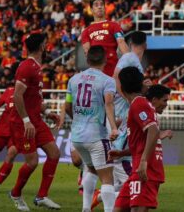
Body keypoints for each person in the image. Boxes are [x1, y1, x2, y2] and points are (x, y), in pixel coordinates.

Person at [91, 31, 148, 210]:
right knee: (124, 162)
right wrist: (128, 98)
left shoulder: (134, 61)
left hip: (124, 113)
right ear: (145, 45)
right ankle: (104, 196)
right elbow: (116, 77)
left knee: (120, 161)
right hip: (122, 114)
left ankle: (101, 196)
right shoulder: (130, 57)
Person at [9, 33, 61, 211]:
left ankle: (42, 196)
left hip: (36, 120)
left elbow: (34, 99)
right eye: (46, 43)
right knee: (32, 162)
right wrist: (25, 120)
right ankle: (16, 193)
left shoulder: (37, 67)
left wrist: (48, 112)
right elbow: (17, 96)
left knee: (54, 153)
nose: (47, 46)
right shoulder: (26, 67)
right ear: (41, 47)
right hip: (23, 123)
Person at [65, 46, 119, 212]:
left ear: (88, 60)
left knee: (90, 168)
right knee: (107, 178)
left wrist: (79, 120)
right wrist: (114, 128)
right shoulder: (107, 81)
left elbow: (67, 106)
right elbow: (109, 103)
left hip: (77, 137)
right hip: (97, 136)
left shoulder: (73, 80)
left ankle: (86, 208)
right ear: (105, 60)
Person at [112, 67, 170, 211]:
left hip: (144, 169)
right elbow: (141, 142)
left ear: (122, 86)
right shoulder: (139, 104)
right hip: (138, 169)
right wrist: (121, 153)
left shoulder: (138, 103)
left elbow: (153, 129)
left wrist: (143, 161)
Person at [81, 0, 129, 77]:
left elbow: (121, 42)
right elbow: (87, 51)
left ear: (105, 8)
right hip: (96, 71)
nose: (99, 7)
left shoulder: (114, 25)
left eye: (101, 4)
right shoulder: (86, 31)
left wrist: (129, 61)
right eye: (96, 5)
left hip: (113, 69)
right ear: (92, 10)